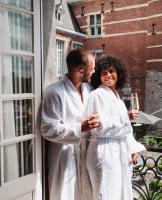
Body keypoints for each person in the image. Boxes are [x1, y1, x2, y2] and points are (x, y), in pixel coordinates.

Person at [41, 49, 100, 200]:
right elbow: (48, 129)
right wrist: (80, 127)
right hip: (64, 156)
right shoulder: (54, 92)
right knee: (65, 195)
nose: (94, 71)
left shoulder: (88, 90)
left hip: (86, 154)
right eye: (92, 68)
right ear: (81, 71)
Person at [84, 56, 146, 200]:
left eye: (111, 72)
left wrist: (133, 148)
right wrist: (126, 118)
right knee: (105, 194)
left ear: (119, 74)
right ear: (98, 76)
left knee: (118, 194)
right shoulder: (97, 95)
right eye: (104, 73)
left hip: (117, 152)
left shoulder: (116, 97)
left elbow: (125, 130)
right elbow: (98, 127)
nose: (108, 76)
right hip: (103, 152)